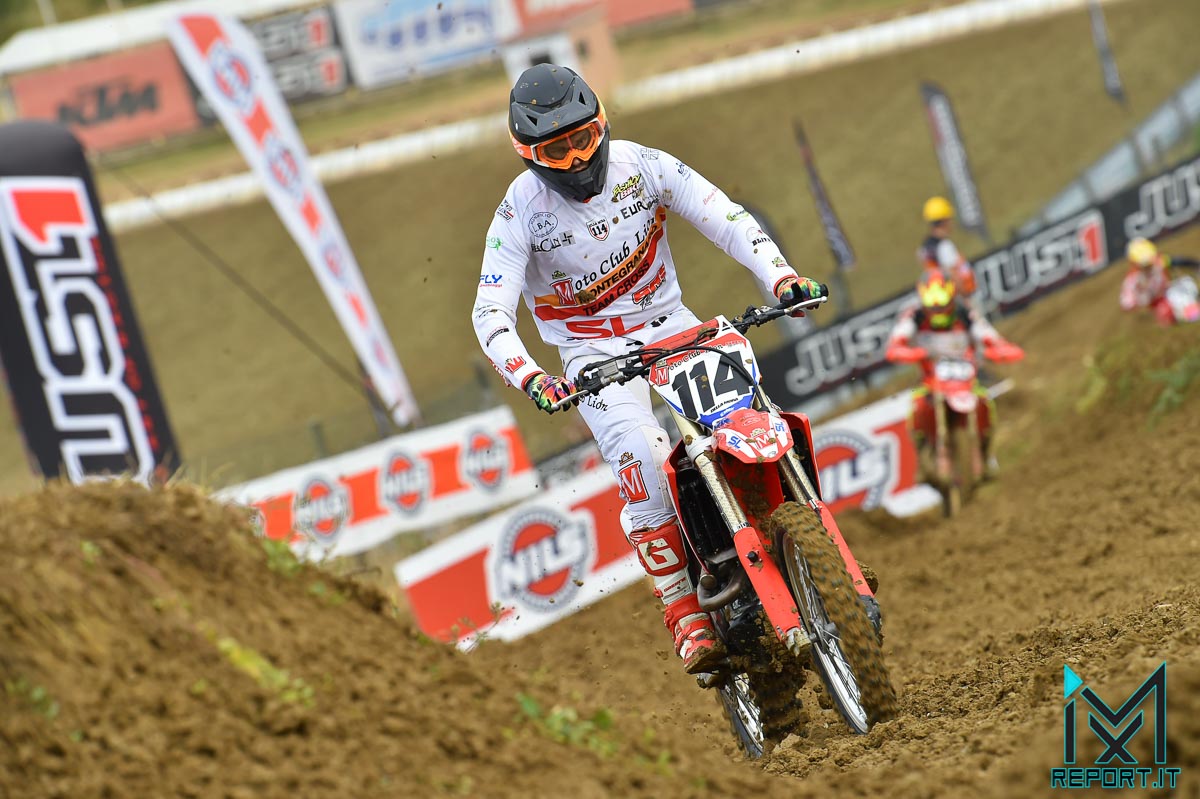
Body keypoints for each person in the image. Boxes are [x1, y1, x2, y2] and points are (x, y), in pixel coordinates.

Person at [471, 64, 826, 675]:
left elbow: (726, 218)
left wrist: (782, 279)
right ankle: (684, 609)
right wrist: (531, 376)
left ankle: (812, 540)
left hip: (673, 326)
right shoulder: (518, 213)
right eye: (556, 150)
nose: (577, 158)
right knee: (642, 450)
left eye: (583, 137)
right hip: (592, 358)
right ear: (529, 155)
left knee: (751, 418)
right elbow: (490, 311)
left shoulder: (645, 166)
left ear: (602, 124)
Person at [886, 273, 1022, 481]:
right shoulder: (914, 316)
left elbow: (988, 334)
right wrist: (907, 352)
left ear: (950, 296)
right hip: (931, 380)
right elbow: (896, 341)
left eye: (941, 302)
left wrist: (1000, 348)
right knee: (917, 406)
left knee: (984, 402)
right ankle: (922, 460)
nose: (937, 308)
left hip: (966, 380)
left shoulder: (965, 313)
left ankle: (986, 455)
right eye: (932, 303)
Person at [1120, 237, 1200, 325]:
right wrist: (1141, 301)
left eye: (1150, 262)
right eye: (1145, 265)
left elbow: (1180, 261)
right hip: (1157, 306)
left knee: (1186, 283)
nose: (1149, 267)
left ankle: (1192, 309)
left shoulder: (1159, 262)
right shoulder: (1132, 281)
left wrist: (1196, 266)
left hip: (1169, 292)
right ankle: (1191, 314)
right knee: (1164, 311)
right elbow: (1127, 304)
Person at [918, 196, 977, 304]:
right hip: (960, 298)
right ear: (944, 221)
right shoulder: (944, 246)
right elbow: (953, 276)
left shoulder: (925, 247)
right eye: (949, 219)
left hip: (944, 299)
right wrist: (966, 299)